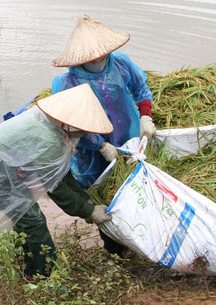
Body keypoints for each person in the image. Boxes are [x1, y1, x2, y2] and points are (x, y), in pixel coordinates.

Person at [0, 83, 115, 278]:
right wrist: (89, 211)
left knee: (24, 221)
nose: (83, 134)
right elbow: (56, 187)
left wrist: (84, 202)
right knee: (33, 222)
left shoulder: (46, 121)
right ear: (69, 123)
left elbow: (59, 173)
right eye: (82, 130)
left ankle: (28, 270)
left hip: (9, 170)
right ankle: (47, 278)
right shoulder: (49, 139)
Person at [51, 15, 155, 256]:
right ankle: (116, 248)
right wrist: (100, 146)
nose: (98, 58)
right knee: (105, 195)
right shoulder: (66, 82)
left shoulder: (120, 63)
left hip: (128, 137)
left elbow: (140, 88)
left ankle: (140, 234)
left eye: (102, 53)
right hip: (92, 152)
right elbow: (69, 124)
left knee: (133, 185)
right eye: (91, 55)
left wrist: (145, 115)